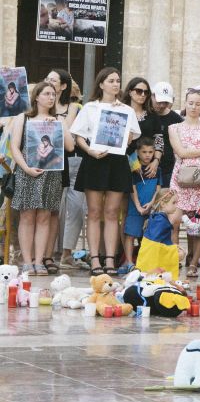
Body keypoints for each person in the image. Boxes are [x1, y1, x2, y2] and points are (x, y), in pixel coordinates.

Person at [70, 67, 141, 276]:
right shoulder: (90, 107)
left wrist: (125, 138)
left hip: (117, 161)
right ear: (101, 84)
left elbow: (133, 135)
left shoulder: (126, 109)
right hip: (95, 160)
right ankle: (95, 258)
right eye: (111, 80)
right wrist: (90, 150)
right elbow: (79, 136)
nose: (115, 84)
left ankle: (110, 258)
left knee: (112, 212)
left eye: (118, 80)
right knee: (94, 212)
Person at [11, 82, 73, 275]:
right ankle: (27, 261)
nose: (51, 97)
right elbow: (15, 147)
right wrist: (26, 168)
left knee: (45, 217)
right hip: (27, 171)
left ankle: (39, 261)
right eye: (46, 93)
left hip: (51, 173)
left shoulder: (58, 120)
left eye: (53, 94)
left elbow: (70, 146)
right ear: (36, 97)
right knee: (27, 216)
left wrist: (59, 125)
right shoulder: (23, 118)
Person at [169, 88, 200, 278]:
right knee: (174, 220)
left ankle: (194, 261)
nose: (194, 107)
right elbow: (181, 152)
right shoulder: (174, 128)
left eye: (198, 104)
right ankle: (175, 257)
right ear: (185, 103)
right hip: (180, 178)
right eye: (190, 103)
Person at [46, 69, 82, 272]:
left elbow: (65, 132)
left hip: (71, 160)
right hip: (49, 161)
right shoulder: (42, 106)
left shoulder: (74, 107)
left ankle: (67, 252)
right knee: (52, 209)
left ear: (63, 86)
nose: (49, 82)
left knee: (75, 208)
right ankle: (48, 253)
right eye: (47, 79)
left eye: (53, 80)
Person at [122, 136, 159, 274]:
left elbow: (159, 189)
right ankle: (129, 262)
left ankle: (146, 262)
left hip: (151, 209)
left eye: (150, 152)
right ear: (137, 152)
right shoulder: (133, 168)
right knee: (130, 234)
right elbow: (133, 189)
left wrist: (152, 203)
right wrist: (138, 206)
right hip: (134, 208)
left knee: (148, 237)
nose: (147, 155)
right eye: (144, 152)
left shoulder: (157, 169)